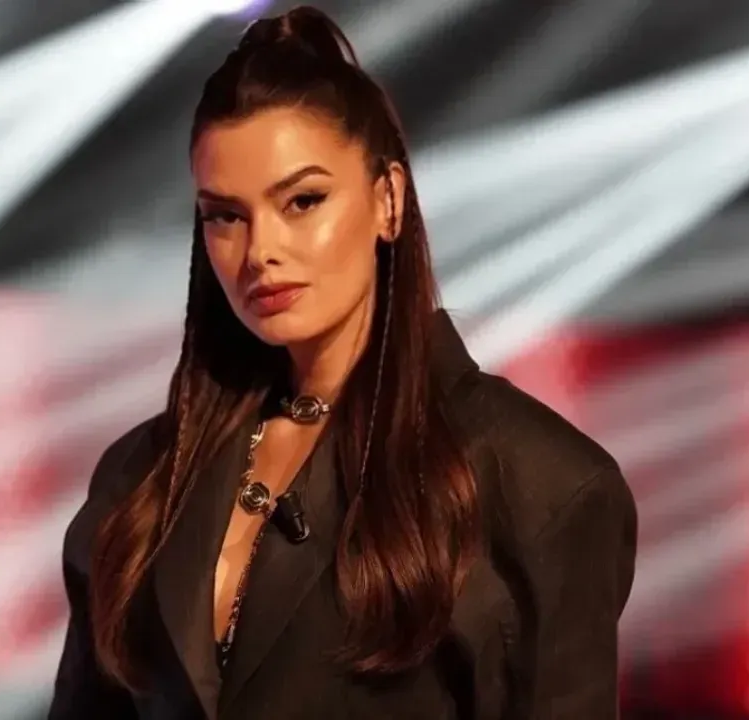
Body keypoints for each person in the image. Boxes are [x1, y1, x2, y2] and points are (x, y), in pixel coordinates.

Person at [49, 5, 637, 719]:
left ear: (388, 200)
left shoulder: (537, 483)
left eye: (303, 201)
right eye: (225, 215)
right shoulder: (142, 478)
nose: (260, 250)